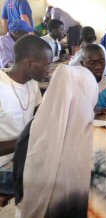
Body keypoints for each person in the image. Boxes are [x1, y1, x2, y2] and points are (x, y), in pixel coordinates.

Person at [14, 64, 106, 217]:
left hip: (32, 211)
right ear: (89, 94)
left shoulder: (31, 129)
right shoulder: (95, 140)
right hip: (76, 211)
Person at [0, 35, 53, 195]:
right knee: (53, 180)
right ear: (29, 62)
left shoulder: (32, 82)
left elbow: (41, 117)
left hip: (24, 155)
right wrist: (26, 141)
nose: (49, 70)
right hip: (3, 166)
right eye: (46, 65)